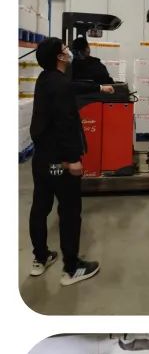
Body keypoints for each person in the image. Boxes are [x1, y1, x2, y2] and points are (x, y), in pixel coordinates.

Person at [28, 37, 100, 285]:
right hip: (60, 164)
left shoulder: (45, 79)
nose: (69, 51)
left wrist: (99, 89)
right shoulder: (61, 85)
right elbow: (66, 125)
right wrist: (72, 160)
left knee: (40, 206)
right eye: (65, 49)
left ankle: (40, 258)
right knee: (69, 210)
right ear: (60, 57)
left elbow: (69, 89)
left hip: (42, 160)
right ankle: (71, 269)